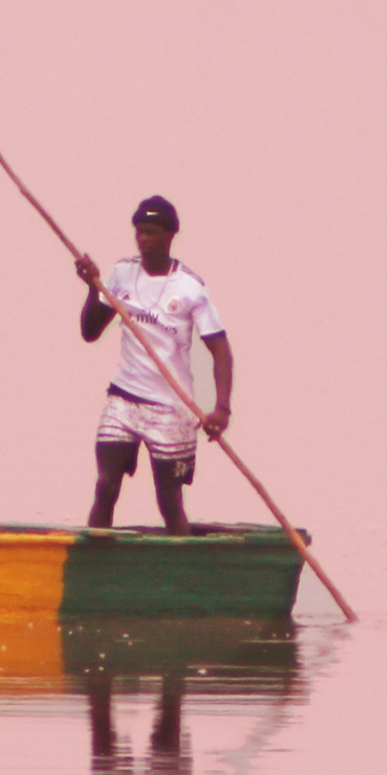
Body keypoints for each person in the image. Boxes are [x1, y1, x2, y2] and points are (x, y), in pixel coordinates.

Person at [72, 195, 233, 535]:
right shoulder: (121, 274)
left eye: (151, 232)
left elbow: (220, 349)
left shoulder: (190, 288)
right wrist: (92, 288)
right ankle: (95, 567)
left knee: (169, 501)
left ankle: (181, 568)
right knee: (106, 486)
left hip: (171, 408)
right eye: (138, 232)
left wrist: (221, 408)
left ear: (169, 235)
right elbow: (90, 332)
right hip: (125, 397)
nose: (142, 240)